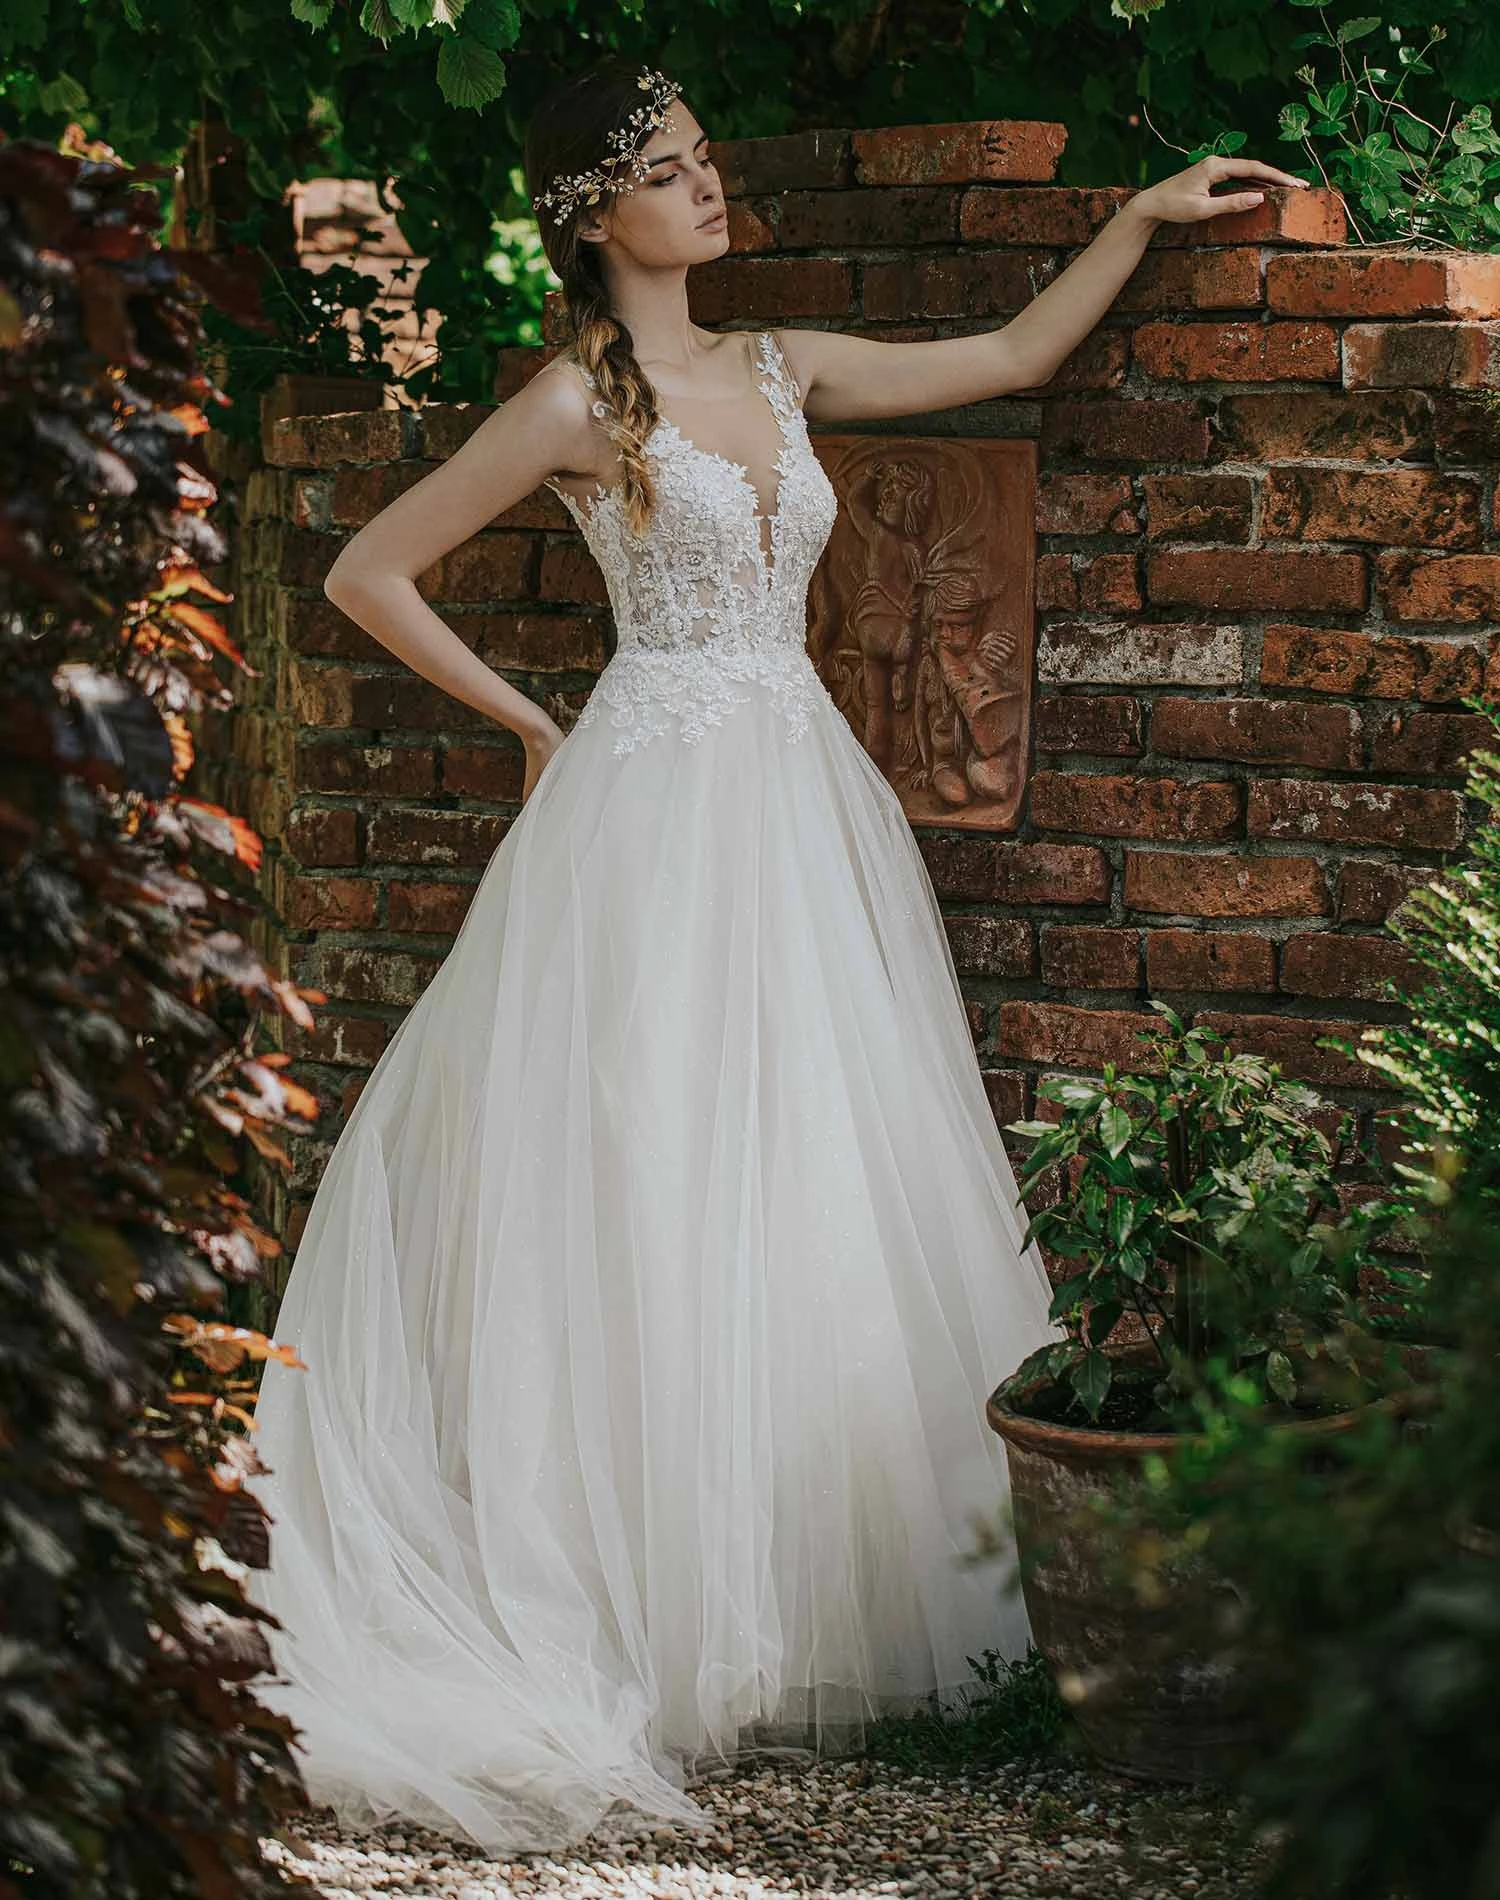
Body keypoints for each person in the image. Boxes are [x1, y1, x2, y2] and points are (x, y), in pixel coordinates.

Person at [245, 55, 1309, 1856]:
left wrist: (1132, 215)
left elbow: (1007, 363)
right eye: (668, 170)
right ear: (597, 218)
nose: (708, 187)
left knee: (806, 1160)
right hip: (649, 807)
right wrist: (531, 726)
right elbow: (369, 569)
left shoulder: (778, 364)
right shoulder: (575, 399)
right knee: (647, 1165)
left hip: (802, 802)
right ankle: (644, 1602)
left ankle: (816, 1598)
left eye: (705, 155)